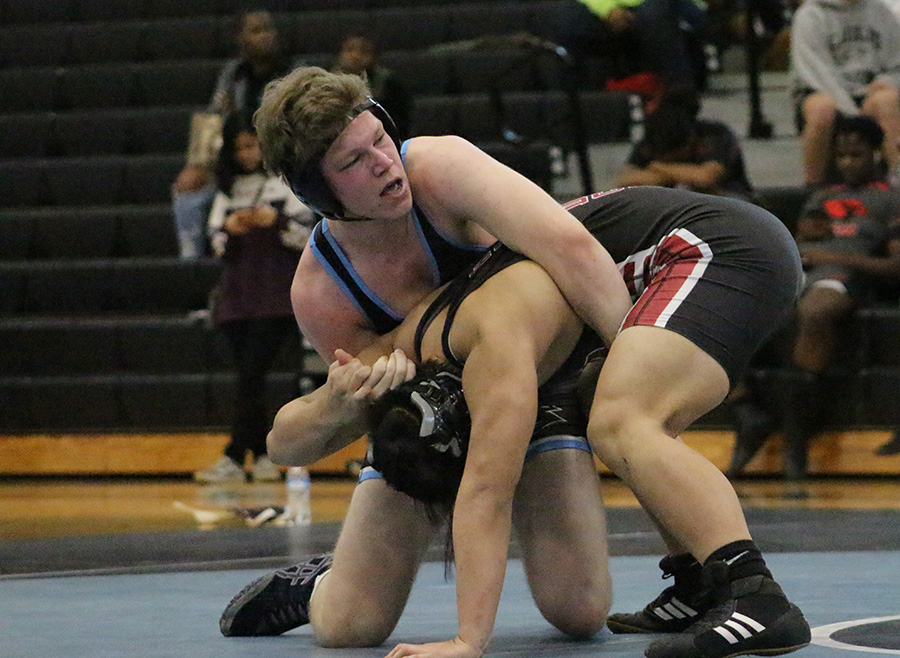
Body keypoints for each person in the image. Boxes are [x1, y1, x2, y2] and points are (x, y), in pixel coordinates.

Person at [218, 64, 633, 648]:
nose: (384, 163)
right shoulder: (323, 289)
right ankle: (318, 585)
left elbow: (572, 249)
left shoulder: (442, 169)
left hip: (536, 385)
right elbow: (351, 422)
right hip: (439, 418)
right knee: (349, 627)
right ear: (319, 193)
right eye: (353, 162)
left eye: (379, 140)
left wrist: (631, 366)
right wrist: (345, 400)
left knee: (580, 608)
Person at [727, 114, 900, 479]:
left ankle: (796, 438)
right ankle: (747, 412)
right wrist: (800, 240)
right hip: (801, 271)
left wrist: (830, 256)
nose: (848, 163)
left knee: (815, 311)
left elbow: (894, 267)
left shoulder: (892, 198)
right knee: (728, 304)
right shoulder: (822, 197)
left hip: (845, 276)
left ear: (876, 153)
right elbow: (796, 242)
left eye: (856, 155)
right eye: (841, 156)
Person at [193, 111, 315, 484]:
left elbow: (306, 235)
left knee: (252, 374)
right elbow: (216, 244)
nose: (248, 153)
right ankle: (259, 455)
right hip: (237, 298)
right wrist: (230, 231)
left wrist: (273, 223)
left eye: (253, 145)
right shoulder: (227, 192)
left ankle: (235, 454)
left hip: (276, 295)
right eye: (240, 147)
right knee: (249, 377)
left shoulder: (286, 184)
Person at [171, 9, 298, 260]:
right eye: (256, 31)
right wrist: (199, 164)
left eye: (268, 29)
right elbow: (214, 119)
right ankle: (191, 260)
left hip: (281, 162)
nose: (265, 36)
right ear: (240, 38)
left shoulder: (294, 70)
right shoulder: (233, 74)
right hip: (239, 161)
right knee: (187, 186)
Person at [790, 0, 900, 186]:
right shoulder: (810, 15)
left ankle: (897, 179)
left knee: (887, 100)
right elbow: (816, 72)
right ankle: (812, 190)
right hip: (821, 89)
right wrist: (854, 116)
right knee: (822, 109)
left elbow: (896, 64)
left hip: (869, 91)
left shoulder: (881, 13)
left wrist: (886, 81)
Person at [616, 88, 754, 200]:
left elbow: (706, 177)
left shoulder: (715, 134)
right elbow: (626, 181)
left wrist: (658, 167)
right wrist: (682, 174)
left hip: (730, 199)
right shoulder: (651, 139)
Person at [551, 0, 709, 94]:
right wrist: (608, 9)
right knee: (567, 20)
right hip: (603, 10)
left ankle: (679, 97)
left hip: (656, 8)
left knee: (656, 15)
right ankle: (579, 103)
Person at [332, 32, 413, 138]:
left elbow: (400, 125)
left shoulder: (390, 84)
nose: (355, 56)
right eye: (350, 50)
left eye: (363, 51)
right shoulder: (326, 82)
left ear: (375, 56)